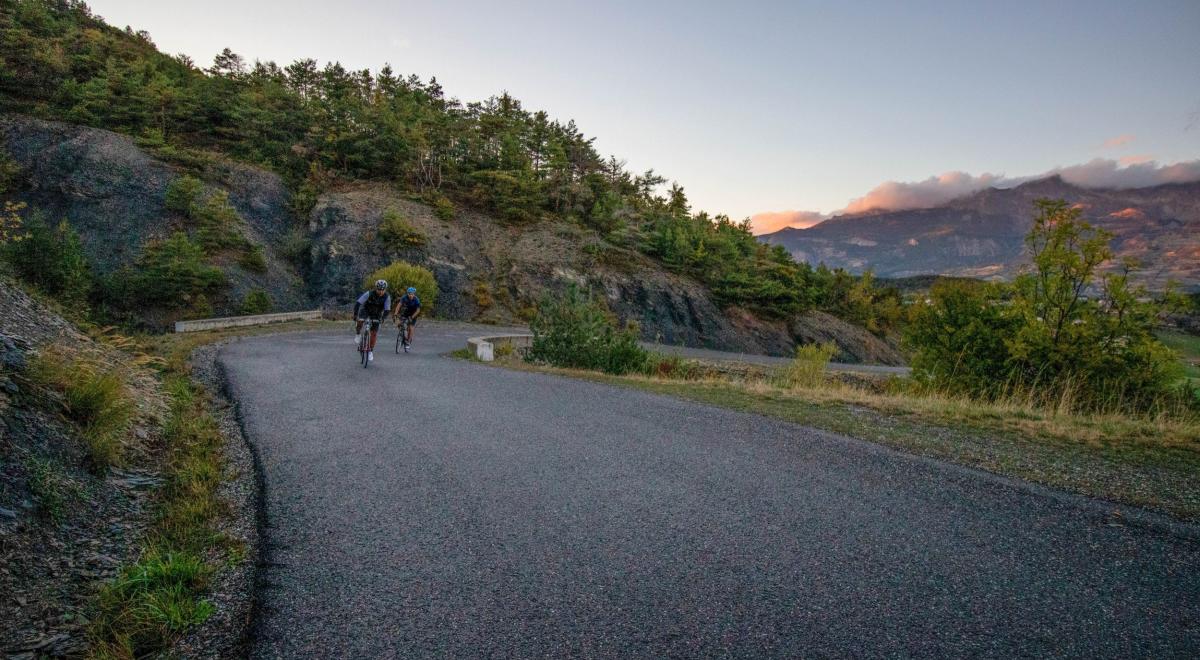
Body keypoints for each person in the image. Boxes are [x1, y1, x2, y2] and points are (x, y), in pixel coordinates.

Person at [354, 279, 391, 362]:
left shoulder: (387, 297)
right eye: (379, 289)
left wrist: (383, 318)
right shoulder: (369, 293)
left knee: (374, 333)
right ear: (376, 288)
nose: (381, 292)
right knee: (360, 321)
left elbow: (387, 310)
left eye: (383, 290)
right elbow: (358, 303)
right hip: (366, 310)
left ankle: (370, 351)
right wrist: (355, 315)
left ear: (385, 289)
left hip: (377, 314)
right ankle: (358, 334)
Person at [395, 286, 421, 351]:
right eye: (409, 293)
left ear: (414, 294)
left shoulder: (416, 299)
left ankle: (408, 342)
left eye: (412, 294)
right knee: (399, 323)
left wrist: (412, 317)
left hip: (413, 314)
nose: (410, 295)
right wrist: (395, 313)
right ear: (407, 293)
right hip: (405, 313)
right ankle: (402, 334)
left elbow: (418, 310)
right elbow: (399, 305)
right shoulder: (404, 297)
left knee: (411, 328)